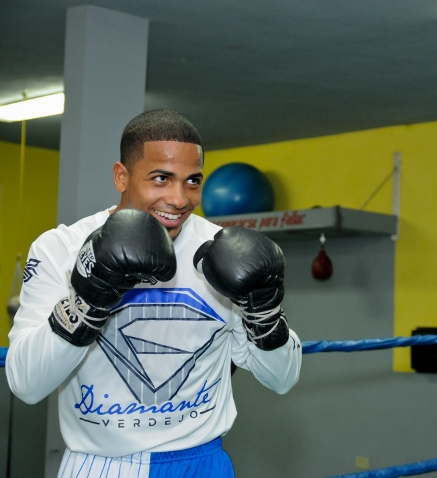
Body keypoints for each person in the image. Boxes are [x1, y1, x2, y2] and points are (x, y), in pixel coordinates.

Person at [5, 109, 302, 477]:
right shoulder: (62, 249)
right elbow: (25, 384)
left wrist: (264, 314)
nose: (179, 199)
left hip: (201, 463)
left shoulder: (219, 253)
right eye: (161, 178)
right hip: (101, 465)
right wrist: (86, 304)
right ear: (121, 176)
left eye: (192, 181)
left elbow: (283, 378)